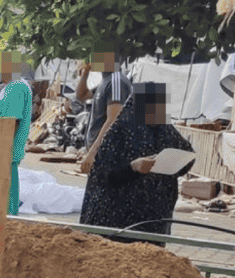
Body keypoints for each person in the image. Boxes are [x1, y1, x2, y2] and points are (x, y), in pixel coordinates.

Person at [80, 82, 193, 238]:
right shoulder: (120, 130)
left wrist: (173, 163)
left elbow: (187, 156)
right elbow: (105, 177)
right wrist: (133, 167)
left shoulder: (166, 130)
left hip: (154, 220)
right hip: (119, 219)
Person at [0, 76, 34, 216]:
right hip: (3, 152)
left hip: (4, 151)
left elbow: (11, 123)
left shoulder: (15, 87)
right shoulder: (12, 86)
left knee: (4, 201)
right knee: (6, 197)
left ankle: (4, 227)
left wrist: (1, 155)